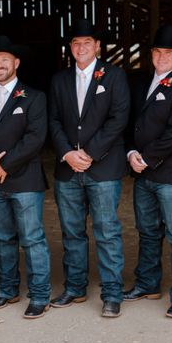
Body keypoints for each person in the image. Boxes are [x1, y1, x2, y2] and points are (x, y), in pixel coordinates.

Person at [48, 18, 130, 317]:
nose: (80, 47)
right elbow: (53, 120)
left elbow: (118, 119)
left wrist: (90, 153)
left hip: (103, 168)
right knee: (72, 232)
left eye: (87, 42)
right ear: (70, 48)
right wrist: (68, 153)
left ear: (97, 46)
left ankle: (111, 293)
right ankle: (75, 287)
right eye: (75, 43)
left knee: (107, 231)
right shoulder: (60, 80)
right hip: (68, 169)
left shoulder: (115, 76)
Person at [123, 24, 172, 320]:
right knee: (148, 231)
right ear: (152, 54)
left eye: (168, 52)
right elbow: (131, 124)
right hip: (143, 172)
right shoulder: (141, 84)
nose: (162, 57)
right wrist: (131, 153)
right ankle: (147, 284)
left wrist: (146, 157)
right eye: (158, 51)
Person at [0, 35, 51, 319]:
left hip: (24, 179)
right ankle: (7, 290)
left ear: (16, 63)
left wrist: (6, 164)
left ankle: (40, 295)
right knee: (2, 237)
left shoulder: (34, 97)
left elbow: (35, 138)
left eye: (5, 60)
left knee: (32, 238)